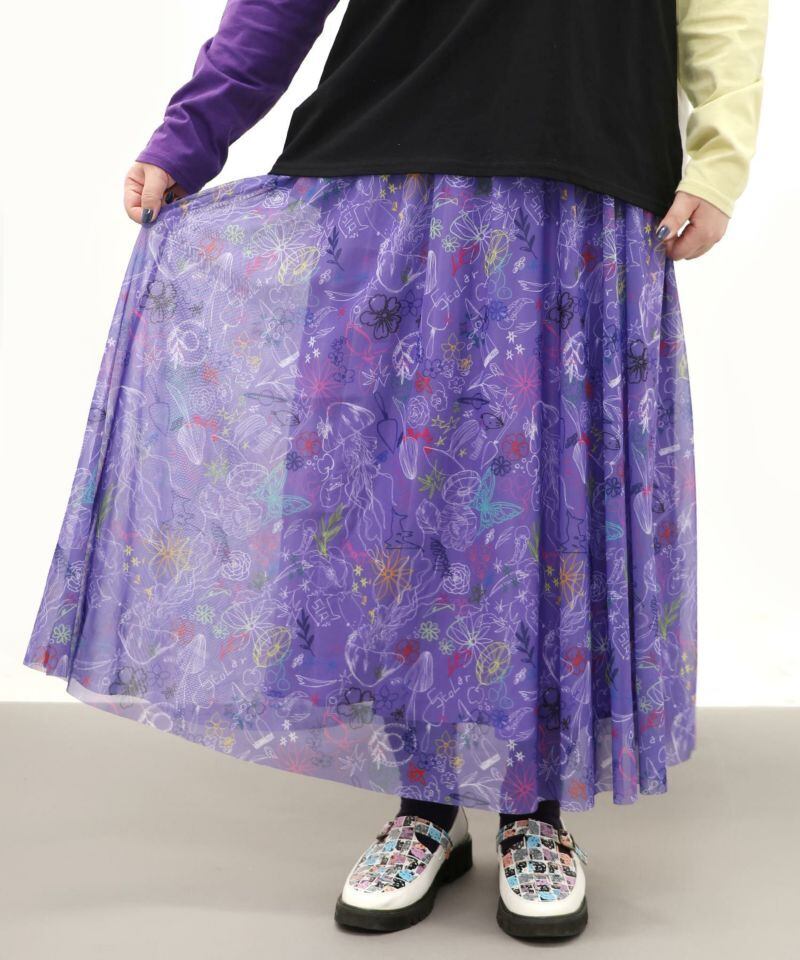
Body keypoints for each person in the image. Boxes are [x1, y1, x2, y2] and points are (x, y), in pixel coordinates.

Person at [24, 0, 768, 940]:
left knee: (549, 510)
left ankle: (534, 813)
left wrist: (718, 156)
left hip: (585, 165)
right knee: (398, 507)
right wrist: (193, 131)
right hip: (391, 163)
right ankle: (427, 804)